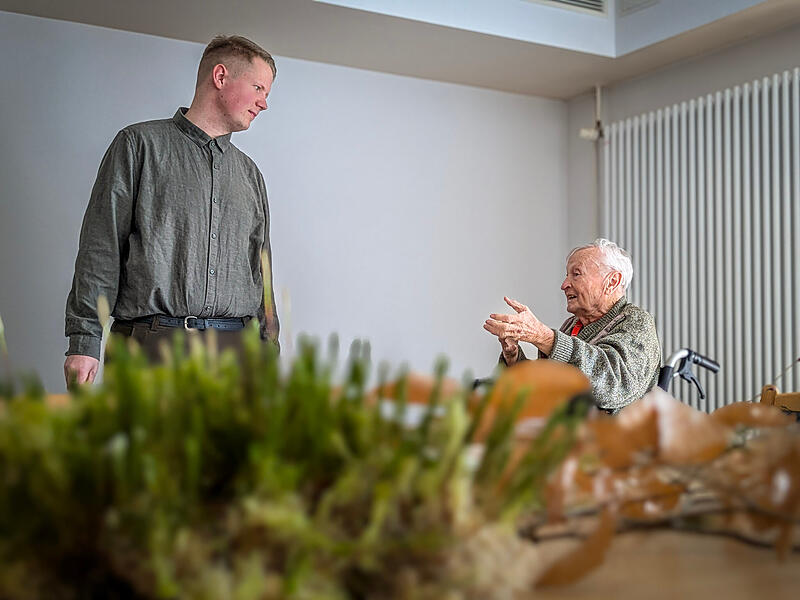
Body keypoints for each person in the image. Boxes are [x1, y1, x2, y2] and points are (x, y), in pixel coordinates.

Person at [64, 35, 280, 386]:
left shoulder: (251, 175)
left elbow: (261, 272)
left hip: (236, 354)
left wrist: (268, 351)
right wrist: (83, 340)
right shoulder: (138, 146)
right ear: (221, 77)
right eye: (258, 87)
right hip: (151, 347)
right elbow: (101, 248)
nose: (264, 103)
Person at [483, 239, 660, 412]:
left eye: (576, 274)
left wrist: (544, 337)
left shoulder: (636, 321)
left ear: (612, 282)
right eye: (566, 275)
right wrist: (513, 357)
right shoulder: (571, 325)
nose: (564, 285)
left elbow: (615, 386)